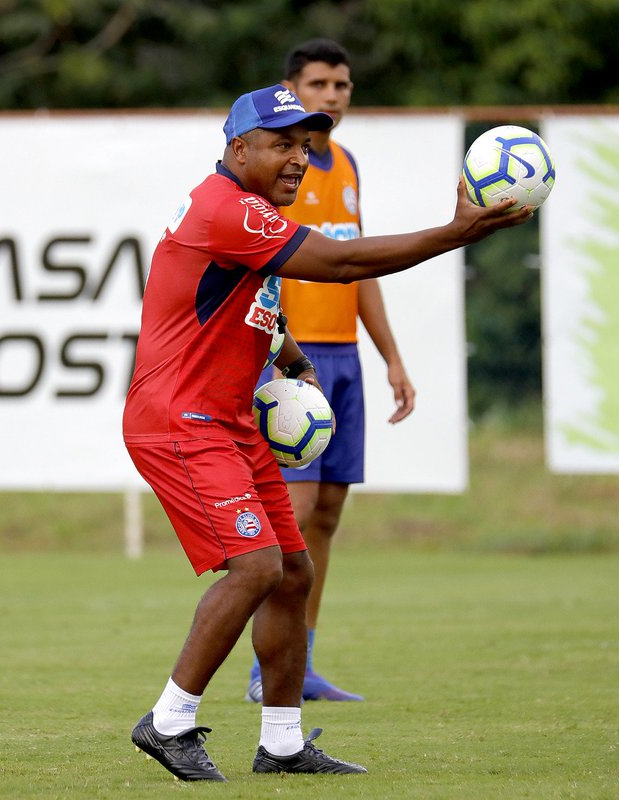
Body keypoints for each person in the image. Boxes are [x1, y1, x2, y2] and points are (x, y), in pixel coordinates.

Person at [123, 84, 530, 782]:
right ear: (237, 147)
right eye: (282, 143)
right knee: (255, 567)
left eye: (306, 146)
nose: (298, 159)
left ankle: (281, 743)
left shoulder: (242, 214)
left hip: (227, 417)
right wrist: (455, 233)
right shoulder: (231, 210)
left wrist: (290, 357)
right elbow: (341, 264)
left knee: (292, 572)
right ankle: (168, 721)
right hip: (181, 419)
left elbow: (232, 300)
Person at [246, 38, 414, 705]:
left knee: (331, 510)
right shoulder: (276, 164)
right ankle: (268, 669)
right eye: (319, 84)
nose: (333, 95)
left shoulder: (344, 162)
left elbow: (357, 261)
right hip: (293, 354)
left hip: (343, 353)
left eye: (342, 85)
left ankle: (302, 662)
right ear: (292, 89)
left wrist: (391, 355)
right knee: (297, 509)